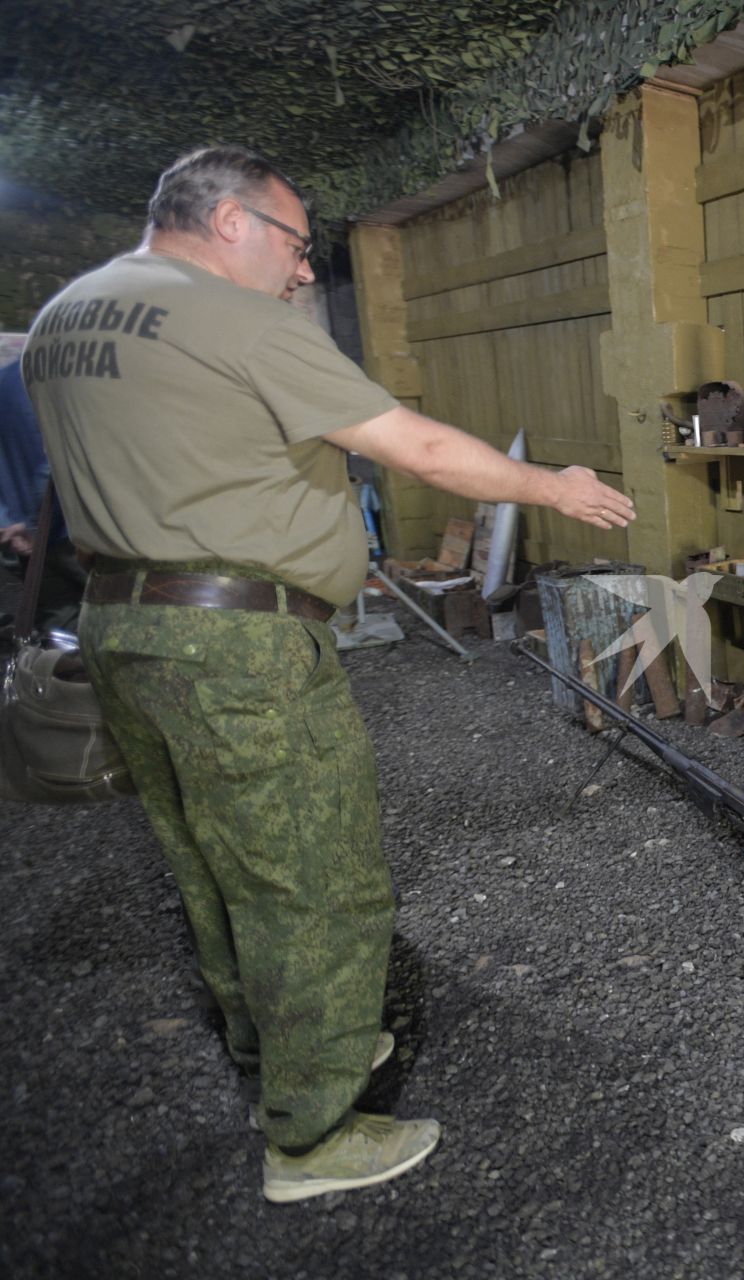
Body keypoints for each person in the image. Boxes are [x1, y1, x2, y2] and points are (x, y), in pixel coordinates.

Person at [21, 146, 635, 1203]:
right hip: (238, 645)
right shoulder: (232, 318)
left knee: (213, 868)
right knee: (313, 879)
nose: (305, 272)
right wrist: (553, 483)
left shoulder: (66, 316)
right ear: (228, 221)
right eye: (297, 245)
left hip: (122, 629)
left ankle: (280, 1059)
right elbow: (421, 449)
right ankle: (312, 1131)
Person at [0, 356, 87, 634]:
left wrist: (7, 521)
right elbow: (54, 464)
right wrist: (35, 525)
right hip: (74, 533)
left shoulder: (6, 379)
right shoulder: (73, 380)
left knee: (57, 637)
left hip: (27, 540)